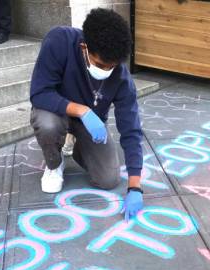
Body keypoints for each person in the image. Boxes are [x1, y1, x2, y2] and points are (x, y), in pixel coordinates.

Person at [29, 8, 144, 221]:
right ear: (84, 48)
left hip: (89, 124)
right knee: (47, 125)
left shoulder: (120, 77)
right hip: (57, 112)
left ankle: (75, 145)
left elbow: (132, 131)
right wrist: (82, 110)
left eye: (112, 66)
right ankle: (55, 164)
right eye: (101, 65)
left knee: (108, 179)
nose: (106, 70)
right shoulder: (59, 41)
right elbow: (39, 93)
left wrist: (135, 188)